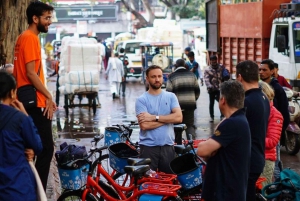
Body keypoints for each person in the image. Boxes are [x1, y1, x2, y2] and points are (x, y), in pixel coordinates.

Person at [13, 1, 56, 191]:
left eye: (50, 18)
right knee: (46, 149)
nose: (49, 22)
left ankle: (32, 188)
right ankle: (37, 191)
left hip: (26, 99)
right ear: (35, 18)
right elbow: (31, 73)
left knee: (32, 149)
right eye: (47, 18)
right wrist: (48, 95)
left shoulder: (22, 37)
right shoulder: (30, 38)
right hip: (34, 101)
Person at [197, 80, 251, 201]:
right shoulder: (239, 119)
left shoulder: (232, 124)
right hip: (232, 189)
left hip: (225, 192)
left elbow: (202, 151)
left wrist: (207, 146)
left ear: (223, 100)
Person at [0, 71, 43, 200]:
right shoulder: (19, 119)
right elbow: (38, 145)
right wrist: (25, 114)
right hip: (18, 188)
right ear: (12, 92)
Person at [135, 65, 182, 173]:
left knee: (168, 184)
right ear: (147, 79)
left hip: (168, 147)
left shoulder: (171, 96)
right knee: (146, 184)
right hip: (148, 148)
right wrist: (169, 119)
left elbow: (179, 118)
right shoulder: (141, 100)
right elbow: (144, 125)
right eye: (153, 77)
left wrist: (154, 118)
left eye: (160, 76)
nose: (157, 79)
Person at [236, 60, 270, 201]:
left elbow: (236, 132)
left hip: (248, 160)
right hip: (257, 156)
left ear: (239, 77)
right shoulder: (263, 98)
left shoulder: (246, 102)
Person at [260, 59, 290, 181]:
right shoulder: (259, 86)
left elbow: (284, 115)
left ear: (273, 71)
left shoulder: (277, 89)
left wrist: (278, 134)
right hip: (263, 134)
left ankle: (280, 188)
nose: (261, 72)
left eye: (264, 70)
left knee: (275, 163)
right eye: (260, 69)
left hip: (272, 135)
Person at [166, 59, 200, 140]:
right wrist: (192, 100)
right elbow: (197, 91)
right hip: (190, 106)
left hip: (176, 107)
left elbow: (168, 93)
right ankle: (191, 147)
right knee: (190, 126)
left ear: (176, 66)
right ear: (185, 65)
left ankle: (178, 148)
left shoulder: (172, 76)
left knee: (177, 128)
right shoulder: (192, 75)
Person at [259, 81, 283, 186]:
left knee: (262, 191)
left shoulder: (275, 114)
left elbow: (272, 141)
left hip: (266, 160)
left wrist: (251, 139)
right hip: (255, 157)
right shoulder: (257, 110)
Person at [204, 55, 224, 122]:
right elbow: (206, 79)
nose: (214, 61)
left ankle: (222, 115)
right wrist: (209, 86)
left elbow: (224, 75)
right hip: (212, 89)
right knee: (211, 103)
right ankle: (211, 117)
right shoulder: (207, 69)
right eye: (212, 60)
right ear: (210, 61)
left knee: (221, 102)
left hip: (220, 88)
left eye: (215, 60)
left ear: (216, 60)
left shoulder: (221, 67)